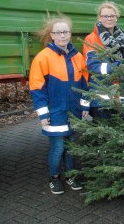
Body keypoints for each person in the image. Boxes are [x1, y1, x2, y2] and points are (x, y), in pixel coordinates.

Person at [29, 16, 89, 194]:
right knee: (58, 148)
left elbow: (86, 84)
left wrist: (85, 106)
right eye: (58, 32)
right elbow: (37, 89)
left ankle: (71, 176)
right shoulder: (43, 58)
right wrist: (43, 114)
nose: (62, 35)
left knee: (71, 147)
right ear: (52, 35)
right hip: (55, 112)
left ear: (70, 34)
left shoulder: (78, 57)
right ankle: (54, 177)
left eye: (66, 32)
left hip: (74, 112)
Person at [83, 1, 124, 119]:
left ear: (117, 17)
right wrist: (119, 65)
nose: (109, 18)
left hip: (122, 95)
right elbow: (93, 66)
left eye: (112, 16)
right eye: (105, 16)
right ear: (99, 18)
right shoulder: (91, 39)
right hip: (101, 98)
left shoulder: (123, 37)